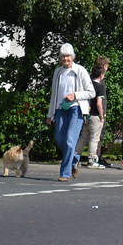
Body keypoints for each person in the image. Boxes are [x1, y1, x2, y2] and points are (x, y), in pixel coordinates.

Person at [45, 43, 96, 182]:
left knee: (69, 141)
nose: (65, 59)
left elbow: (91, 92)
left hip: (76, 109)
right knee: (60, 140)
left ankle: (65, 173)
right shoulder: (58, 72)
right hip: (61, 109)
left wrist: (75, 95)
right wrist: (50, 114)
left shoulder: (80, 70)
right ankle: (74, 159)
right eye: (63, 56)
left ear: (72, 57)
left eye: (67, 56)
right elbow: (54, 94)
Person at [75, 56, 110, 168]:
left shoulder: (89, 84)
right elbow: (99, 103)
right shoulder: (100, 86)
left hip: (87, 114)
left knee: (83, 138)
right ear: (101, 74)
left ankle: (75, 157)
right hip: (96, 116)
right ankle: (92, 159)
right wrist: (102, 115)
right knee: (94, 138)